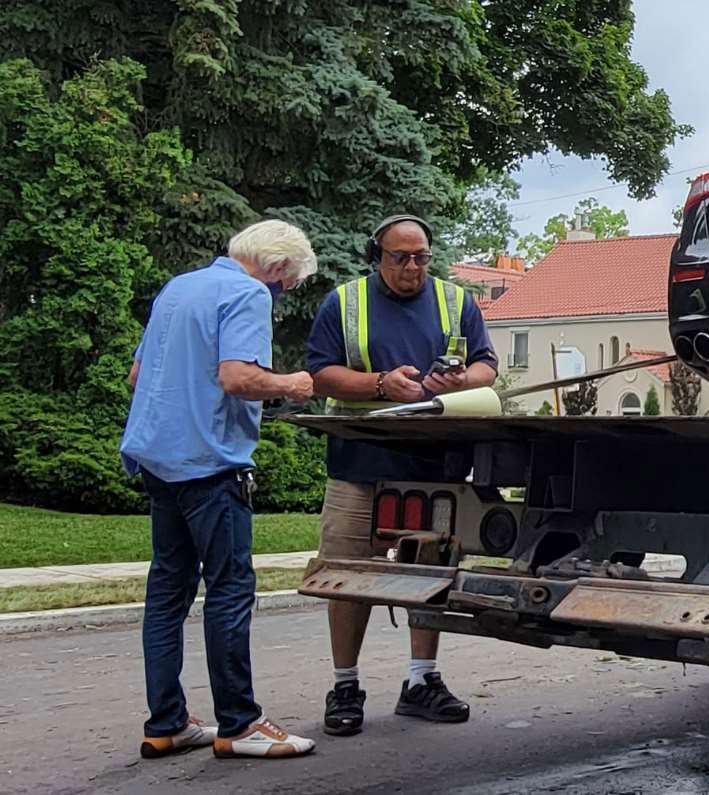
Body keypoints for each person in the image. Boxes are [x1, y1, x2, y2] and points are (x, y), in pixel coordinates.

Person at [122, 219, 319, 760]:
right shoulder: (248, 292)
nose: (284, 294)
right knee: (230, 590)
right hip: (211, 464)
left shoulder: (178, 287)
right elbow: (238, 377)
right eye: (291, 284)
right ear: (278, 268)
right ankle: (240, 723)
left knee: (167, 593)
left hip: (158, 459)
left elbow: (139, 376)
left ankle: (167, 722)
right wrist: (292, 384)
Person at [305, 214, 498, 736]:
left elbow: (486, 366)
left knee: (430, 574)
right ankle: (345, 684)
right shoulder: (344, 303)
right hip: (360, 462)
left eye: (421, 257)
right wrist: (380, 384)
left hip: (437, 464)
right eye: (400, 258)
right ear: (378, 257)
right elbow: (321, 373)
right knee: (346, 574)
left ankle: (421, 682)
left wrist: (456, 382)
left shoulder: (457, 302)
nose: (412, 268)